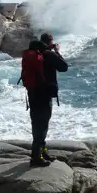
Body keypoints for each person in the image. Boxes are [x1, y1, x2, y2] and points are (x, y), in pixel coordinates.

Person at [18, 33, 69, 167]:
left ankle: (42, 153)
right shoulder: (48, 54)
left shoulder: (34, 54)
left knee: (37, 123)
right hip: (44, 95)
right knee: (42, 126)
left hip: (33, 93)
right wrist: (57, 52)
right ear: (50, 42)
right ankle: (36, 157)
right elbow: (64, 67)